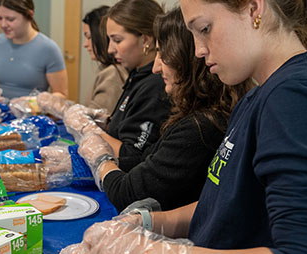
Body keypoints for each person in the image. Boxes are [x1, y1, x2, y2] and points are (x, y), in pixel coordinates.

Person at [62, 0, 307, 254]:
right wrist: (149, 223)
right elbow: (224, 200)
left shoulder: (299, 97)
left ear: (254, 8)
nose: (198, 50)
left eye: (205, 29)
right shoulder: (257, 95)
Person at [78, 8, 251, 212]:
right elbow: (144, 160)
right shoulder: (192, 116)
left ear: (186, 59)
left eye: (163, 53)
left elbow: (127, 192)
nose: (156, 67)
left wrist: (101, 160)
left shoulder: (200, 127)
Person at [64, 0, 171, 172]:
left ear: (145, 40)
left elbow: (132, 155)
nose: (110, 50)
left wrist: (88, 127)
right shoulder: (137, 76)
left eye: (117, 40)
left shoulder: (155, 85)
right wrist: (100, 121)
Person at [0, 0, 68, 102]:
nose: (3, 24)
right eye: (0, 18)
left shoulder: (48, 49)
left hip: (31, 115)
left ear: (30, 15)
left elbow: (62, 95)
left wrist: (34, 102)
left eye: (10, 19)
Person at [82, 6, 128, 113]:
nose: (85, 44)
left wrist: (63, 108)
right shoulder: (108, 70)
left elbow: (92, 120)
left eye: (89, 37)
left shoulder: (112, 75)